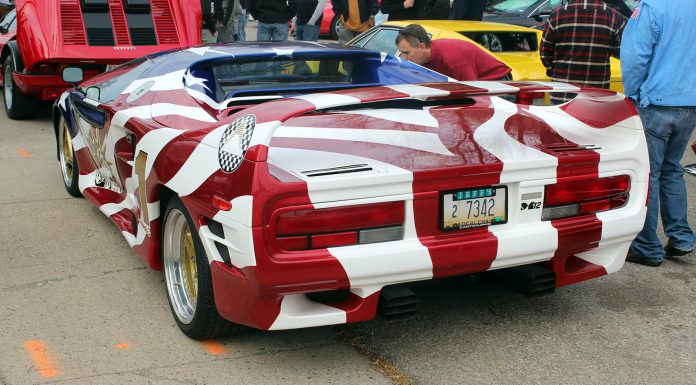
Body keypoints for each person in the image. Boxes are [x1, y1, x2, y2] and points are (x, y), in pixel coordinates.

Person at [622, 0, 696, 267]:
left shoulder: (652, 7)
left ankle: (647, 246)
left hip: (656, 103)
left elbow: (634, 56)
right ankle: (681, 238)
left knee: (649, 175)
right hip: (689, 103)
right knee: (671, 169)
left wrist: (632, 93)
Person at [540, 0, 625, 103]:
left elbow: (545, 53)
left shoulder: (556, 15)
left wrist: (553, 72)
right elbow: (622, 53)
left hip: (562, 95)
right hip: (597, 95)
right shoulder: (615, 17)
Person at [395, 24, 511, 80]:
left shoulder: (452, 59)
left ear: (422, 46)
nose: (403, 57)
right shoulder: (423, 57)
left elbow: (472, 91)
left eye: (407, 52)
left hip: (498, 85)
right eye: (401, 52)